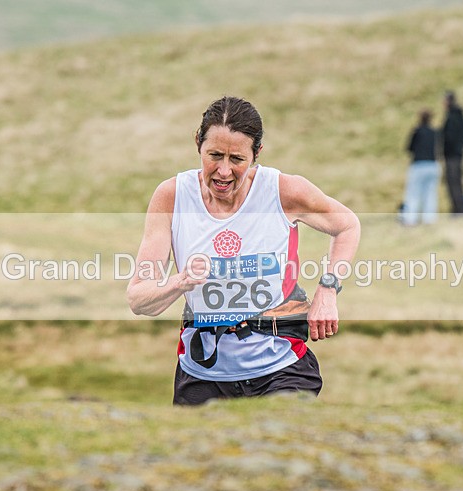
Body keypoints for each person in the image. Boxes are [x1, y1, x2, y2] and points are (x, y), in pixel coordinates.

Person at [127, 96, 361, 406]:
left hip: (281, 367)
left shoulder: (283, 191)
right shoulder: (172, 197)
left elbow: (347, 225)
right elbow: (139, 299)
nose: (224, 171)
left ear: (256, 153)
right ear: (198, 143)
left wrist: (328, 290)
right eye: (214, 155)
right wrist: (180, 282)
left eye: (237, 159)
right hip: (203, 373)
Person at [401, 108, 440, 225]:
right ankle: (430, 219)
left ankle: (410, 220)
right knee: (430, 193)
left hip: (418, 165)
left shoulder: (417, 131)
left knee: (413, 193)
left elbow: (409, 148)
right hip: (433, 164)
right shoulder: (435, 132)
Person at [441, 90, 463, 214]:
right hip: (457, 154)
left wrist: (449, 149)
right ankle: (459, 208)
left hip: (452, 155)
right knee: (457, 182)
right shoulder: (459, 115)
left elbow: (450, 136)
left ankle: (459, 209)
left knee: (453, 182)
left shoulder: (452, 117)